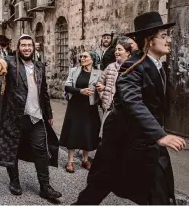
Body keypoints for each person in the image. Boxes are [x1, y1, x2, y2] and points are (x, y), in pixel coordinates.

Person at [73, 11, 187, 205]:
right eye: (163, 36)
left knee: (158, 190)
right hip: (122, 140)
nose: (169, 40)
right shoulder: (132, 67)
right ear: (150, 40)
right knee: (99, 185)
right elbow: (133, 102)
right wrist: (161, 134)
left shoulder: (159, 66)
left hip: (148, 140)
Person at [0, 34, 61, 200]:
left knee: (41, 151)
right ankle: (14, 181)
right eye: (23, 45)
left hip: (36, 117)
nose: (26, 48)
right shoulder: (9, 63)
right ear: (18, 47)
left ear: (34, 47)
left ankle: (45, 187)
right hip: (14, 117)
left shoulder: (39, 66)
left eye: (29, 45)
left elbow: (43, 92)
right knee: (12, 150)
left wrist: (49, 113)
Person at [60, 50, 102, 172]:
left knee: (87, 132)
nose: (82, 58)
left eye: (85, 56)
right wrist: (80, 91)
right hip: (75, 106)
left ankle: (85, 160)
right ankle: (70, 161)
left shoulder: (99, 73)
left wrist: (101, 88)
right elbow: (67, 87)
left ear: (92, 59)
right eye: (81, 56)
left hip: (90, 107)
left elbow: (102, 88)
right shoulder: (74, 71)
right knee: (73, 131)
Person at [96, 36, 132, 112]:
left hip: (126, 109)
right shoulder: (110, 67)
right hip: (109, 108)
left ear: (127, 53)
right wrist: (104, 97)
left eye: (119, 50)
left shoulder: (132, 67)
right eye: (115, 50)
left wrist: (106, 88)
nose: (116, 52)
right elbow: (99, 83)